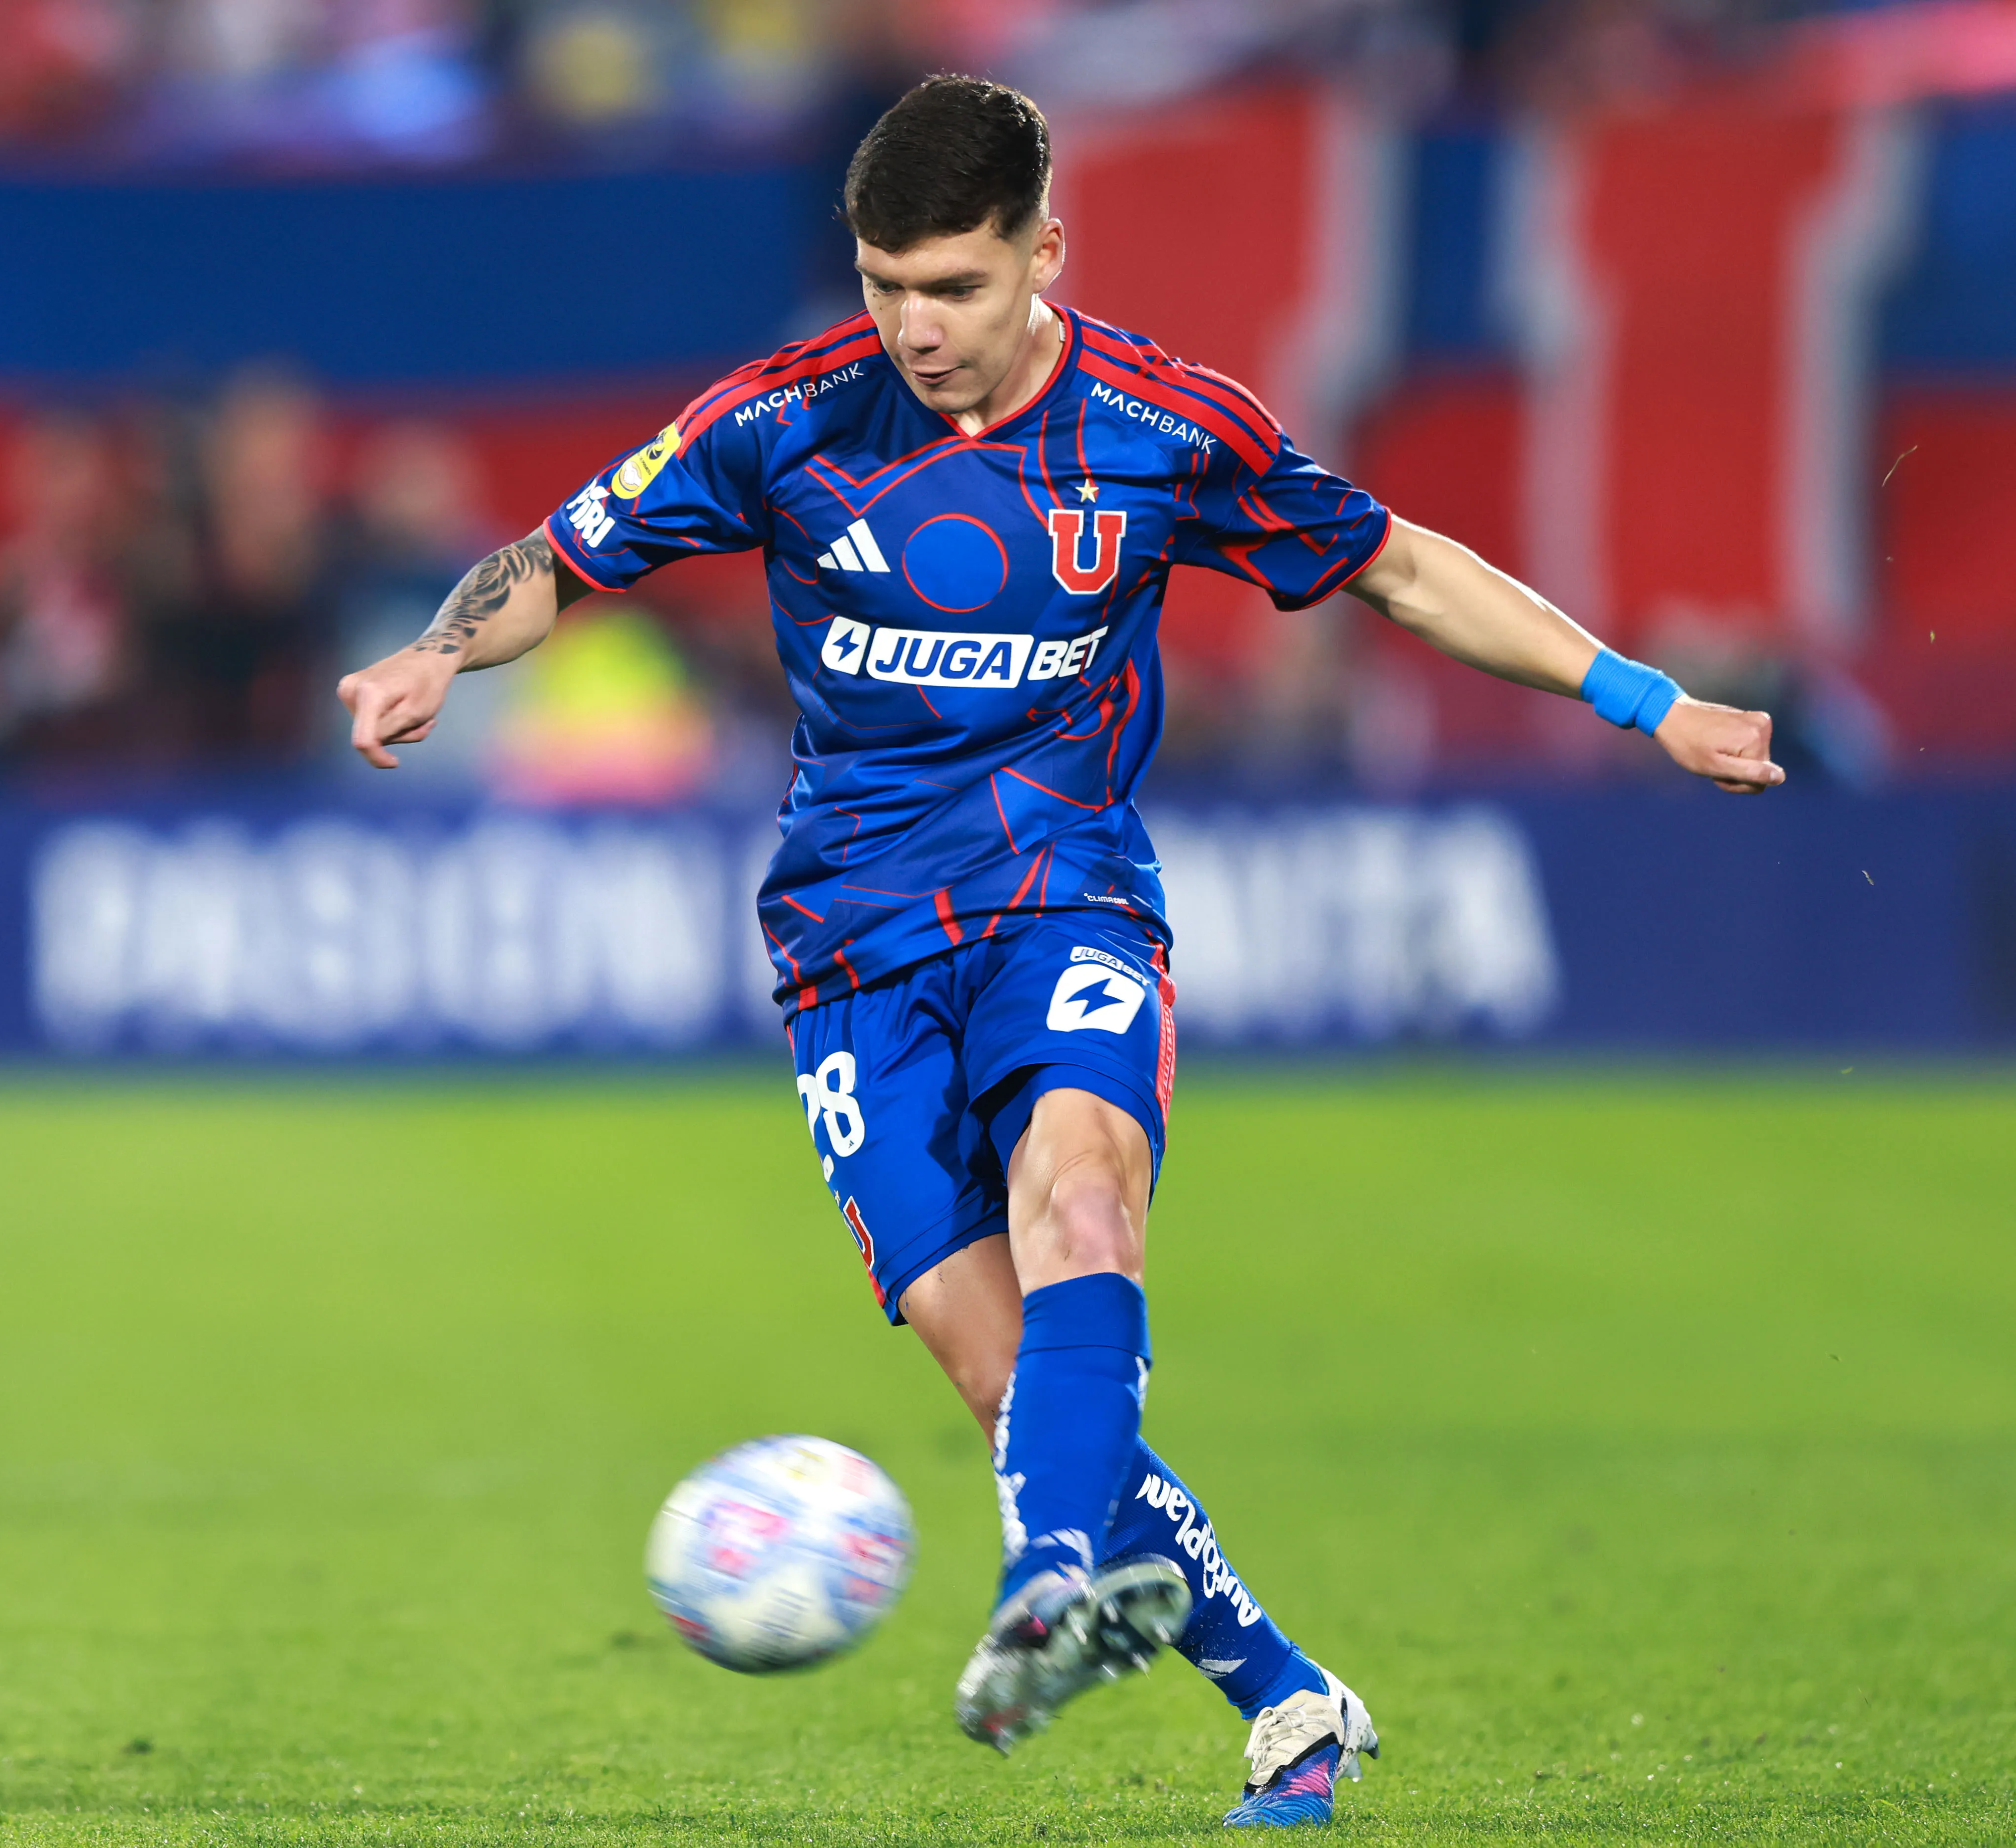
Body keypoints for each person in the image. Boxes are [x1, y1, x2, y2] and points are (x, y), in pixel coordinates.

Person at [337, 74, 1782, 1829]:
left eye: (952, 285)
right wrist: (435, 653)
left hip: (1064, 895)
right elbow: (562, 554)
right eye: (884, 285)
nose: (914, 327)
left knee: (1081, 1199)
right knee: (996, 1366)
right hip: (848, 941)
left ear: (1044, 252)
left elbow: (1395, 570)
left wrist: (1647, 703)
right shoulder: (785, 419)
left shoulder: (1168, 428)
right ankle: (1289, 1704)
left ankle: (1044, 1586)